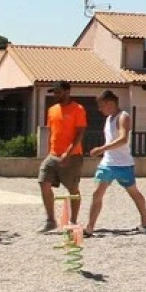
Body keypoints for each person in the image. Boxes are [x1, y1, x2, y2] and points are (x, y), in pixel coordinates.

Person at [84, 90, 146, 234]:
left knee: (134, 193)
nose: (100, 109)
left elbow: (123, 139)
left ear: (110, 103)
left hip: (124, 164)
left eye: (102, 106)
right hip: (108, 163)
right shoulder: (108, 119)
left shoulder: (123, 117)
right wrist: (104, 151)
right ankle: (90, 227)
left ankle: (145, 220)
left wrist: (101, 149)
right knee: (97, 193)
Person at [37, 81, 87, 233]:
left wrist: (68, 153)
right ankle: (51, 220)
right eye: (54, 92)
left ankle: (73, 220)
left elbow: (80, 133)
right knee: (43, 182)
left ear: (67, 91)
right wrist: (50, 152)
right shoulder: (52, 110)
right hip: (53, 155)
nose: (56, 95)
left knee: (73, 189)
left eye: (58, 92)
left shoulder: (78, 109)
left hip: (72, 156)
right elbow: (53, 133)